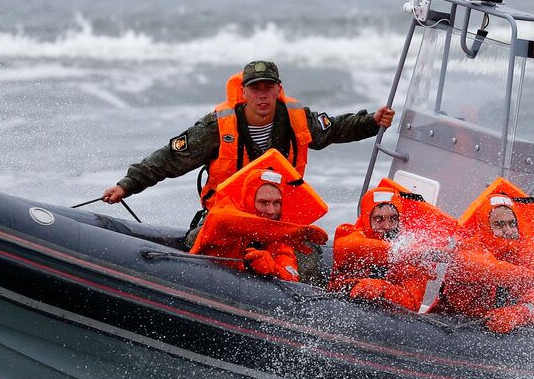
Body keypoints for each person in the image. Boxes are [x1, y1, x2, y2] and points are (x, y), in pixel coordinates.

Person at [101, 60, 394, 246]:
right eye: (255, 89)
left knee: (308, 260)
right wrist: (127, 185)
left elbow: (337, 129)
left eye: (268, 88)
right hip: (228, 212)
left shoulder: (297, 119)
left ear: (279, 89)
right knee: (202, 243)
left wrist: (372, 121)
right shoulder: (218, 126)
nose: (262, 95)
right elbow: (169, 159)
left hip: (276, 213)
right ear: (244, 92)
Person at [439, 179, 534, 334]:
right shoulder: (469, 250)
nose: (508, 230)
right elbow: (493, 270)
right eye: (499, 225)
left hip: (485, 329)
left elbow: (533, 303)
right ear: (485, 226)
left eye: (512, 223)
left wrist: (516, 315)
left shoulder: (521, 253)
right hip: (449, 321)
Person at [188, 150, 328, 282]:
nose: (271, 210)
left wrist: (274, 269)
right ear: (249, 200)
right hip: (202, 282)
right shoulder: (223, 212)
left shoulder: (279, 234)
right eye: (264, 202)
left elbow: (291, 273)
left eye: (277, 203)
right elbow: (225, 221)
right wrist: (289, 232)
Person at [329, 179, 458, 311]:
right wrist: (407, 254)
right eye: (378, 219)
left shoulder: (413, 250)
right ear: (366, 219)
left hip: (383, 320)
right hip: (338, 306)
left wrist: (383, 289)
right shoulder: (349, 235)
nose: (387, 226)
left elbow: (412, 304)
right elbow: (351, 247)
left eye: (393, 219)